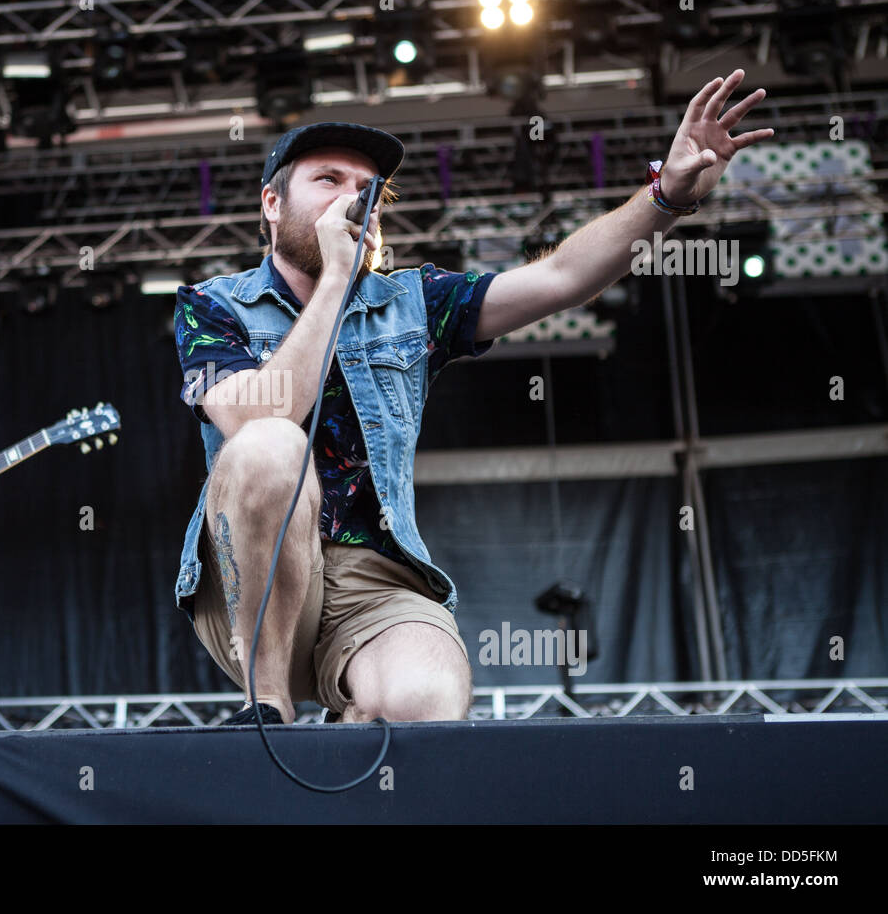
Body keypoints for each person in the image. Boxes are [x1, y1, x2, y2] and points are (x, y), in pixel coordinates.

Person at [174, 71, 772, 725]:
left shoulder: (412, 302)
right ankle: (267, 704)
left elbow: (562, 277)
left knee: (428, 705)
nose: (354, 200)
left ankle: (355, 737)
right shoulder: (213, 306)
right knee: (269, 444)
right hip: (253, 576)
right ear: (270, 203)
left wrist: (665, 195)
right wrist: (334, 281)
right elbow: (258, 416)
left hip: (376, 576)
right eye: (328, 180)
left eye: (366, 191)